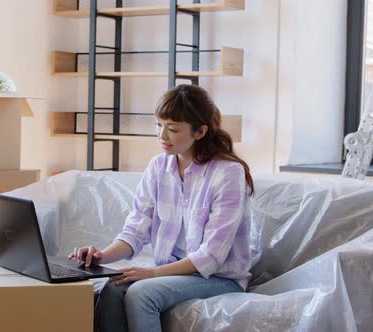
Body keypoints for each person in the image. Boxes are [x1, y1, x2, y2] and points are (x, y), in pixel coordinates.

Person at [69, 84, 254, 332]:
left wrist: (153, 274)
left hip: (218, 277)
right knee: (111, 287)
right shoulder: (158, 167)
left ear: (200, 132)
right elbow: (136, 230)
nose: (162, 136)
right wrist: (102, 255)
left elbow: (211, 255)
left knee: (141, 294)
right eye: (159, 125)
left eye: (173, 129)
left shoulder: (227, 173)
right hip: (172, 271)